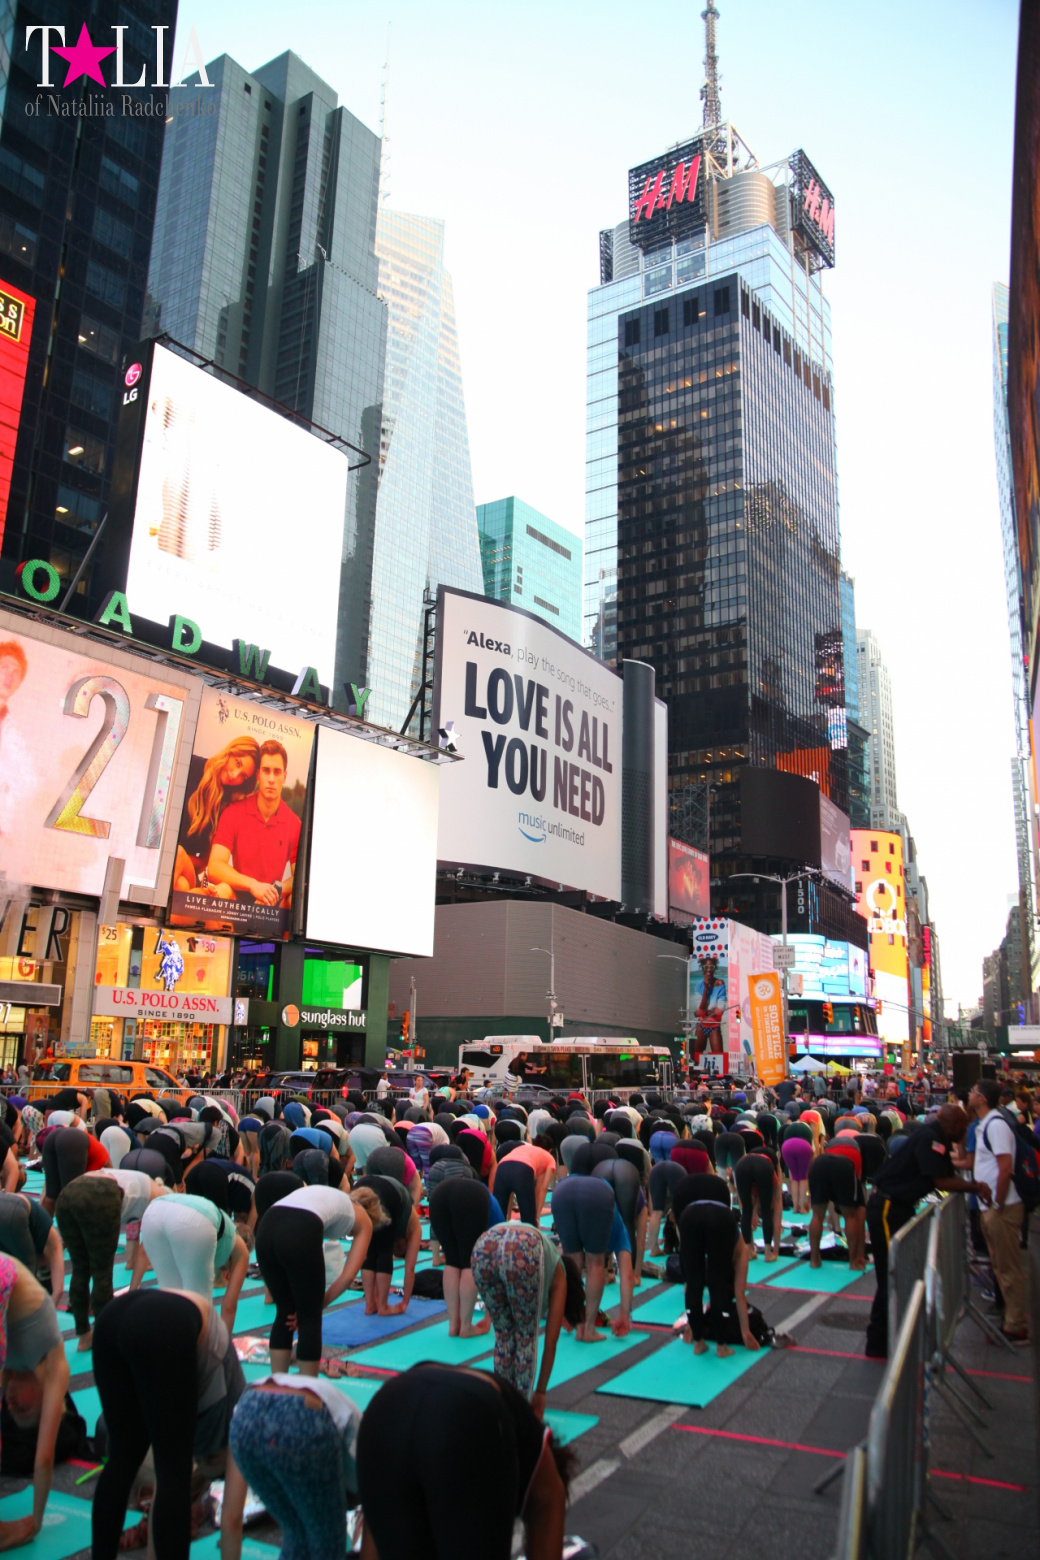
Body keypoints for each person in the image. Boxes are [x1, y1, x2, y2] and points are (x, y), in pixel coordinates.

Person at [356, 1364, 572, 1560]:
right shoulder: (538, 1453)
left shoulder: (517, 1424)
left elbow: (374, 1534)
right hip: (464, 1414)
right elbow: (550, 1508)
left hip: (385, 1406)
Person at [91, 1288, 244, 1560]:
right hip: (161, 1322)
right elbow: (231, 1520)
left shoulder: (220, 1395)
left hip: (112, 1317)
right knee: (174, 1470)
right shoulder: (237, 1413)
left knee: (123, 1458)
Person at [865, 1104, 989, 1358]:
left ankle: (887, 1336)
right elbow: (941, 1181)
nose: (964, 1131)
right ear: (950, 1124)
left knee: (895, 1272)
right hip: (888, 1207)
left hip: (898, 1205)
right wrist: (976, 1188)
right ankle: (879, 1341)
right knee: (891, 1273)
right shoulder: (931, 1139)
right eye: (962, 1127)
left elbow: (947, 1172)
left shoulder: (936, 1137)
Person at [222, 1372, 364, 1560]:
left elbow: (231, 1518)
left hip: (247, 1409)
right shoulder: (367, 1461)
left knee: (296, 1531)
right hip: (304, 1413)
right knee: (327, 1541)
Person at [255, 1183, 378, 1373]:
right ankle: (308, 1393)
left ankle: (277, 1387)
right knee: (309, 1321)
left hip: (266, 1227)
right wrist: (313, 1308)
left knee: (285, 1313)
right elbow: (347, 1277)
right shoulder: (365, 1221)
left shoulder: (331, 1198)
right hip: (299, 1226)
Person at [55, 1167, 169, 1350]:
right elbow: (144, 1251)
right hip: (100, 1193)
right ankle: (104, 1335)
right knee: (102, 1271)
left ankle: (84, 1336)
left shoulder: (143, 1185)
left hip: (68, 1192)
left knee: (80, 1268)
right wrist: (132, 1292)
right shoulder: (161, 1202)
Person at [0, 1256, 70, 1547]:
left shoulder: (10, 1369)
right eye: (24, 1407)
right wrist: (37, 1521)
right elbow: (43, 1459)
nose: (12, 1401)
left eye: (11, 1407)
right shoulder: (55, 1366)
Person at [963, 1079, 1029, 1344]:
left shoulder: (997, 1125)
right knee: (1001, 1267)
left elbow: (1005, 1167)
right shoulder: (985, 1125)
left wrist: (998, 1205)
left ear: (982, 1098)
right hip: (992, 1207)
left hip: (1002, 1207)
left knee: (1008, 1268)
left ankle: (1016, 1327)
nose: (968, 1093)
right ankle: (1011, 1320)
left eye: (972, 1091)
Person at [134, 1192, 249, 1332]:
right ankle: (204, 1352)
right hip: (194, 1219)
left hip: (153, 1212)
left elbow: (142, 1252)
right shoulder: (242, 1251)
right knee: (200, 1308)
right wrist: (225, 1349)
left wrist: (130, 1293)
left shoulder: (222, 1234)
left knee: (170, 1298)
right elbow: (229, 1307)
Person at [207, 740, 301, 909]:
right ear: (258, 775)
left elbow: (301, 877)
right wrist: (253, 885)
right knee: (222, 890)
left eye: (277, 772)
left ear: (284, 776)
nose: (271, 779)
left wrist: (274, 891)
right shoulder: (233, 813)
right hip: (238, 898)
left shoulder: (294, 824)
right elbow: (214, 866)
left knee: (294, 900)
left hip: (273, 902)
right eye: (266, 771)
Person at [550, 1171, 633, 1341]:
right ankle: (587, 1330)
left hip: (561, 1190)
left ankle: (574, 1320)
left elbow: (561, 1261)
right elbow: (627, 1275)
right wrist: (624, 1316)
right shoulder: (620, 1231)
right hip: (597, 1194)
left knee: (572, 1262)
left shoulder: (613, 1223)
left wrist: (566, 1311)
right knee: (596, 1263)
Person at [173, 735, 260, 895]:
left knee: (178, 854)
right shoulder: (190, 766)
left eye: (243, 776)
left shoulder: (228, 805)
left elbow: (205, 863)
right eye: (237, 763)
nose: (235, 775)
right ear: (231, 752)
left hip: (187, 868)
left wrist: (182, 857)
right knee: (181, 885)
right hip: (165, 866)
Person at [678, 1194, 761, 1358]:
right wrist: (745, 1332)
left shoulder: (734, 1242)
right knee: (718, 1284)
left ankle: (698, 1343)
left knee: (694, 1283)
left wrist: (693, 1324)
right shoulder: (741, 1250)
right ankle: (721, 1347)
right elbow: (740, 1294)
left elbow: (688, 1287)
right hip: (719, 1219)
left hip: (689, 1215)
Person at [429, 1179, 504, 1338]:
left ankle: (453, 1324)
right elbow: (492, 1268)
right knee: (470, 1262)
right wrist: (490, 1315)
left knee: (452, 1261)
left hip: (438, 1194)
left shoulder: (485, 1198)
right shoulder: (498, 1220)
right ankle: (465, 1327)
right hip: (470, 1197)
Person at [351, 1174, 422, 1317]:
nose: (399, 1249)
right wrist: (404, 1303)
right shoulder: (415, 1229)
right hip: (386, 1192)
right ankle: (383, 1306)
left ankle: (370, 1304)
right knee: (384, 1251)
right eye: (402, 1250)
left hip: (362, 1185)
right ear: (404, 1242)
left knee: (371, 1250)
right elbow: (409, 1268)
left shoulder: (401, 1222)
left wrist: (404, 1302)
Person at [806, 1144, 865, 1269]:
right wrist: (861, 1254)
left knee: (817, 1215)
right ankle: (854, 1262)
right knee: (850, 1216)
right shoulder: (850, 1168)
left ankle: (814, 1259)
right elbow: (860, 1216)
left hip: (819, 1164)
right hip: (842, 1166)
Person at [0, 1192, 64, 1304]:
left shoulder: (34, 1234)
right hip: (13, 1211)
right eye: (44, 1268)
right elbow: (58, 1291)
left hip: (9, 1203)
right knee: (27, 1272)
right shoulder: (53, 1246)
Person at [734, 1151, 783, 1262]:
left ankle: (748, 1252)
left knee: (746, 1211)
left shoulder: (746, 1163)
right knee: (766, 1212)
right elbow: (777, 1215)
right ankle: (767, 1254)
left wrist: (754, 1212)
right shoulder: (773, 1175)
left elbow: (744, 1206)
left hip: (742, 1166)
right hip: (762, 1167)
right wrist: (776, 1250)